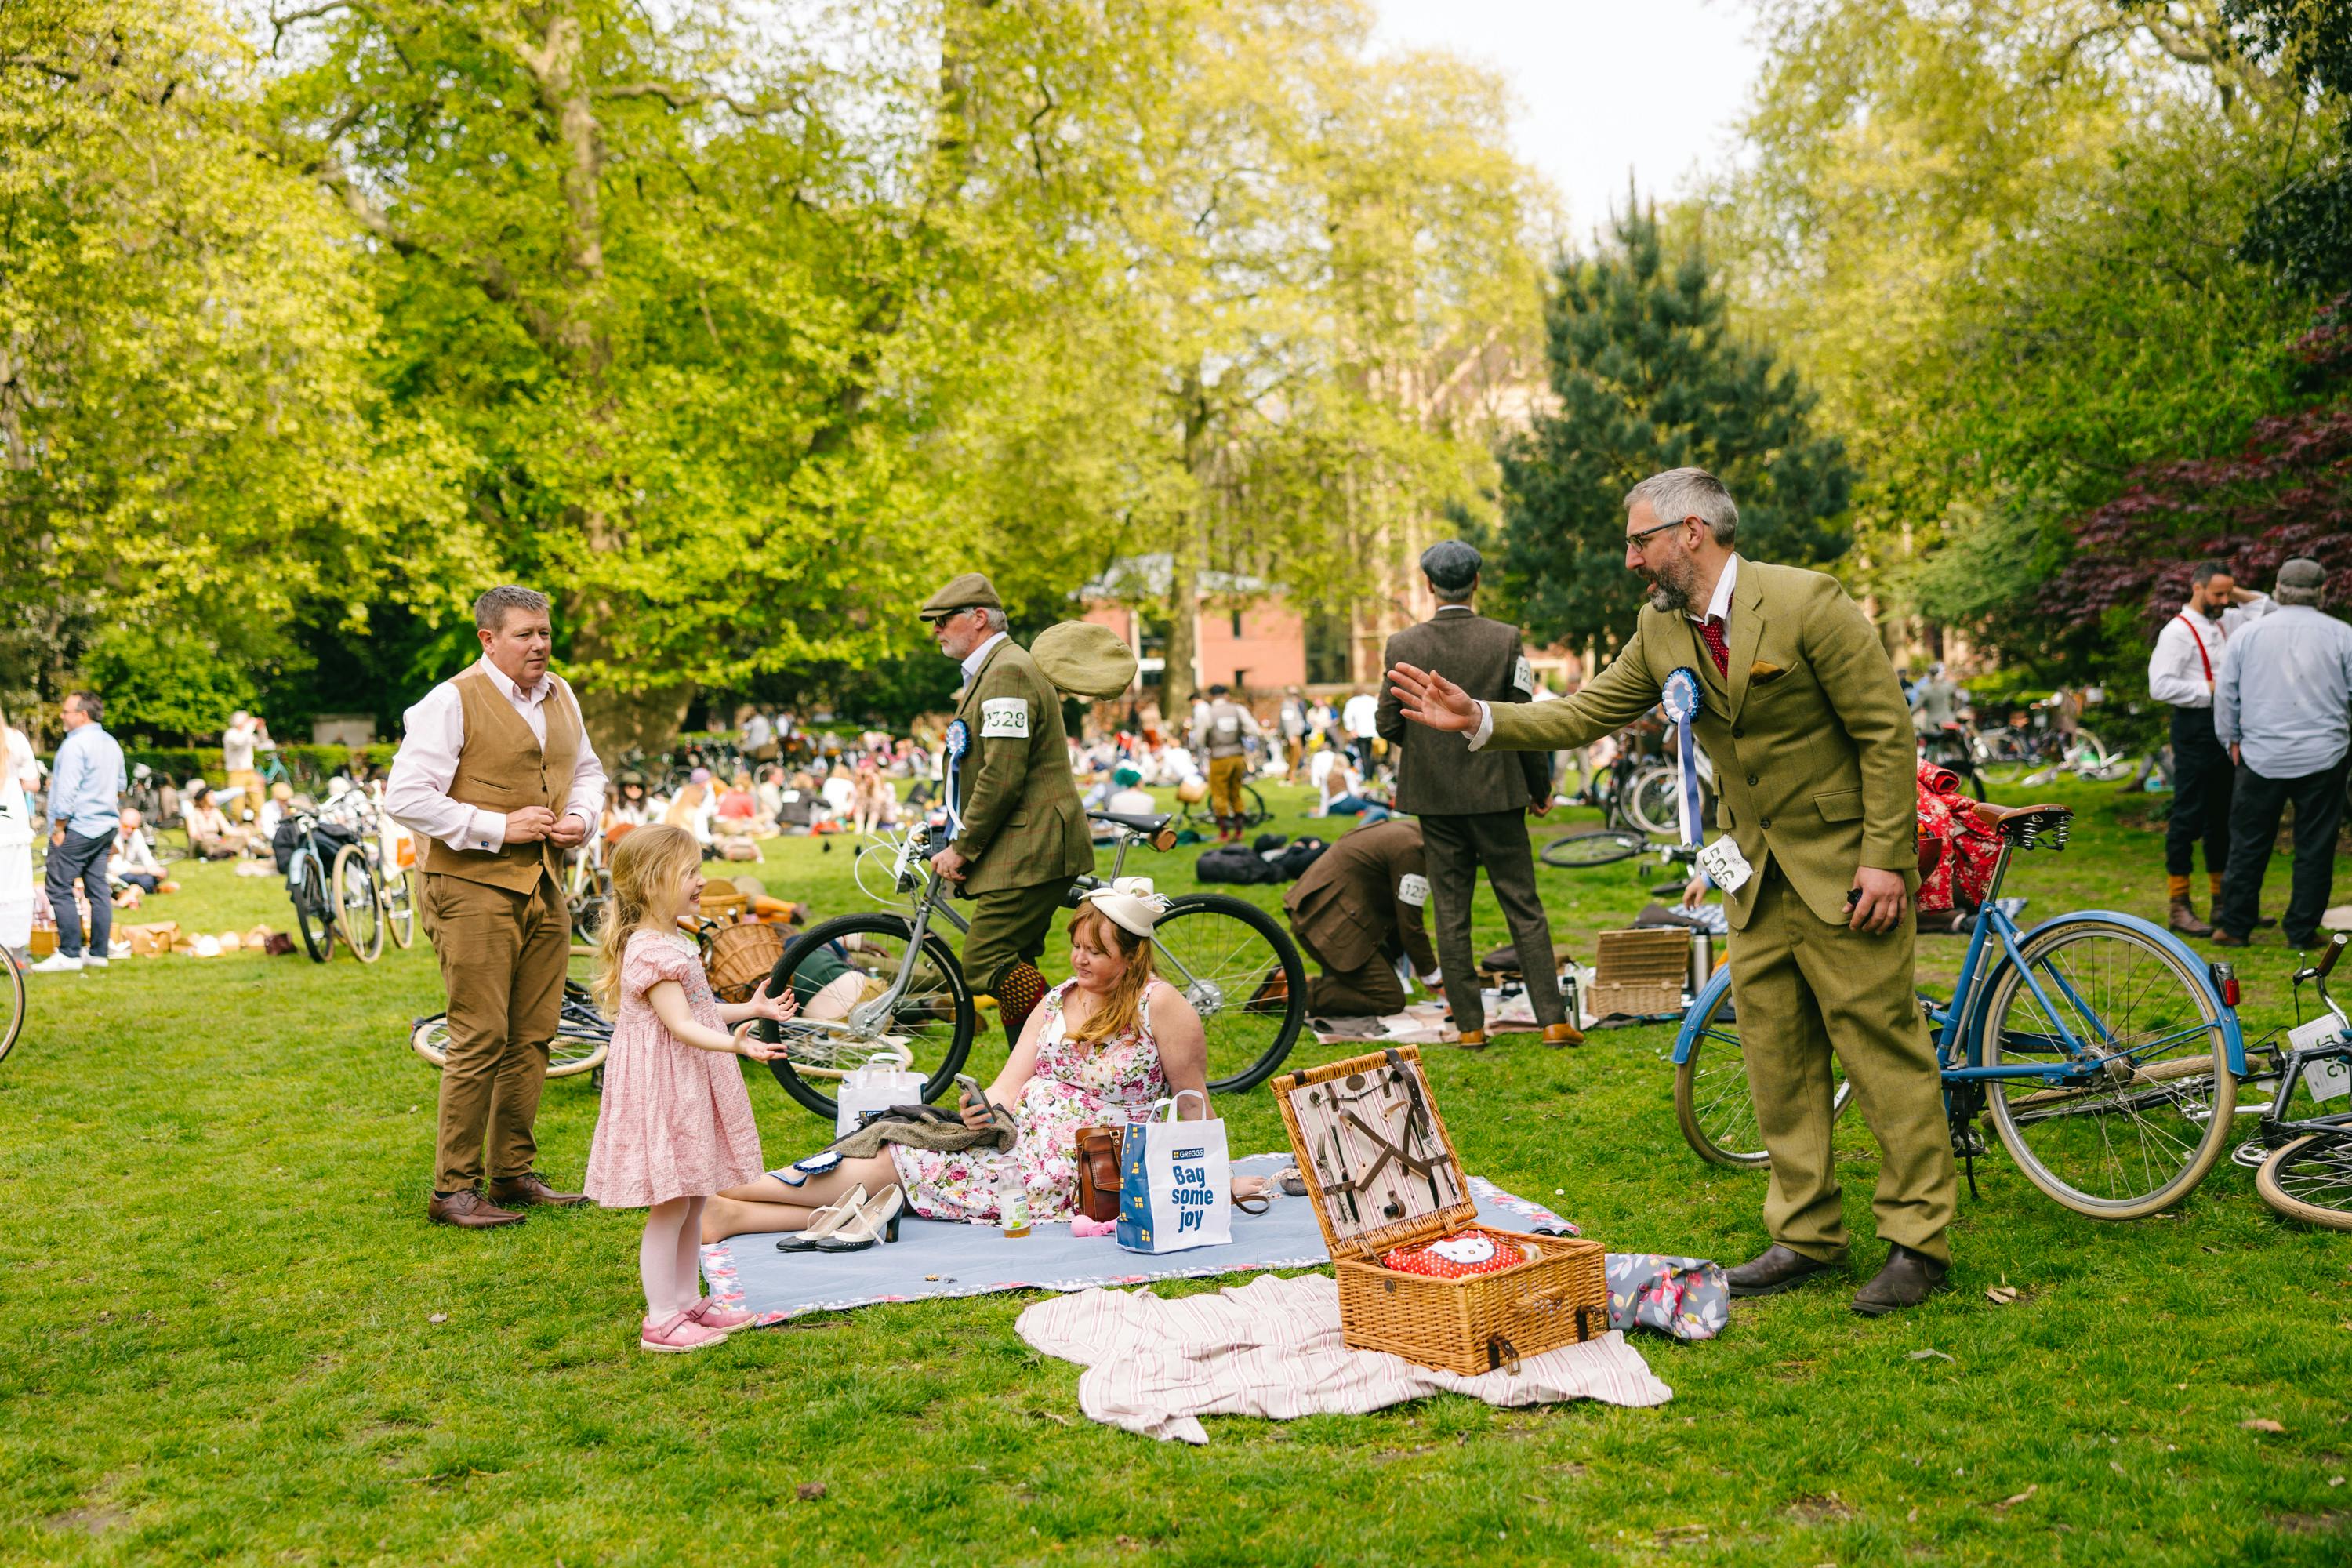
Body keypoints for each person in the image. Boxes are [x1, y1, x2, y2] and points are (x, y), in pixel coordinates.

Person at [1391, 466, 1956, 1316]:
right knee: (1776, 1056)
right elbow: (1586, 711)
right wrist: (1481, 718)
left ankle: (1917, 1241)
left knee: (1883, 1053)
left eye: (1639, 541)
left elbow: (1884, 732)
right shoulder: (1659, 628)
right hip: (1751, 877)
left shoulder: (1808, 601)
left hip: (1847, 873)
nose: (1630, 560)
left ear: (1692, 531)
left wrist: (1885, 858)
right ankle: (1806, 1233)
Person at [699, 884, 1210, 1241]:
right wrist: (982, 1111)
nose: (1079, 959)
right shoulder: (1059, 998)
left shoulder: (1160, 1005)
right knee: (905, 1146)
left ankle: (727, 1190)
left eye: (1095, 952)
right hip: (1020, 1138)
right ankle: (730, 1212)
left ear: (1131, 956)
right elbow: (1009, 1084)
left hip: (1093, 1164)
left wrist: (1212, 1180)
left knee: (909, 1165)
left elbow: (1193, 1102)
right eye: (1076, 946)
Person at [387, 585, 608, 1229]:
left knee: (534, 1034)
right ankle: (453, 1190)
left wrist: (581, 817)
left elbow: (588, 770)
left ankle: (512, 1172)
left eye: (545, 633)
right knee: (480, 1034)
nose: (539, 645)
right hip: (469, 887)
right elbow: (405, 796)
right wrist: (496, 827)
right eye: (524, 635)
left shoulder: (562, 693)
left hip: (544, 882)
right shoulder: (450, 700)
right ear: (488, 639)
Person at [580, 825, 797, 1351]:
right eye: (689, 873)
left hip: (687, 1079)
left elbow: (698, 1008)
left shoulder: (673, 941)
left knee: (696, 1196)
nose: (701, 881)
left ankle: (684, 1301)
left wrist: (751, 1009)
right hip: (666, 1086)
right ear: (652, 882)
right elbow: (680, 1025)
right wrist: (735, 1046)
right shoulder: (650, 952)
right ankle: (660, 1319)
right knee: (672, 1204)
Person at [1376, 539, 1574, 1050]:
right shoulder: (1505, 639)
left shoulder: (1401, 644)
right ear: (1476, 581)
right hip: (1498, 793)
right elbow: (1525, 721)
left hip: (1435, 799)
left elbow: (1387, 723)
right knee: (1523, 905)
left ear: (1429, 585)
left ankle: (1469, 1026)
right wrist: (1540, 787)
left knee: (1450, 911)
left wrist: (1429, 751)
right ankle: (1553, 1021)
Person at [918, 572, 1091, 1040]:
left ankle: (1076, 1038)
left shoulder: (1006, 671)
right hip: (1028, 840)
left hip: (1033, 843)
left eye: (943, 619)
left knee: (985, 961)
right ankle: (1035, 1067)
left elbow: (1002, 774)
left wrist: (962, 847)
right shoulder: (996, 669)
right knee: (1016, 961)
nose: (936, 629)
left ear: (979, 618)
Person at [2212, 557, 2352, 951]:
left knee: (2247, 843)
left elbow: (2226, 695)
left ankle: (2235, 926)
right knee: (2315, 847)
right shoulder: (2343, 635)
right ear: (2322, 591)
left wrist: (2231, 740)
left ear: (2278, 589)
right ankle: (2302, 930)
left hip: (2260, 754)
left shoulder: (2247, 635)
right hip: (2325, 755)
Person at [2148, 560, 2274, 936]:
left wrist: (2232, 591)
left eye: (2227, 594)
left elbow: (2266, 608)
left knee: (2223, 816)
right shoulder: (2177, 632)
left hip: (2226, 728)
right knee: (2188, 816)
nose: (2223, 600)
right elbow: (2160, 686)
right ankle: (2179, 905)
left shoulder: (2226, 620)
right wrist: (2211, 689)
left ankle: (2223, 903)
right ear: (2197, 588)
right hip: (2194, 729)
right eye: (2217, 593)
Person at [1280, 816, 1438, 1018]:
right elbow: (1410, 922)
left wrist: (1407, 960)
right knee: (1389, 999)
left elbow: (1396, 912)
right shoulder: (1412, 850)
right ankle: (1290, 991)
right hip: (1326, 923)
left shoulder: (1408, 831)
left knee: (1382, 982)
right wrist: (1432, 975)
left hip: (1325, 911)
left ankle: (1287, 981)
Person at [31, 691, 125, 974]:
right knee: (98, 889)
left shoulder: (74, 745)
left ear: (82, 715)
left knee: (58, 886)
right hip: (105, 825)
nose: (62, 716)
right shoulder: (111, 743)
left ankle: (69, 953)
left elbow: (66, 790)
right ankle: (98, 952)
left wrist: (59, 827)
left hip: (79, 826)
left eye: (66, 711)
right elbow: (121, 785)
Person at [1191, 683, 1261, 844]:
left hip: (1219, 757)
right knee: (1235, 793)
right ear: (1227, 695)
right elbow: (1252, 729)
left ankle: (1223, 833)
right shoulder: (1238, 710)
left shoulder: (1209, 713)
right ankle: (1239, 831)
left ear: (1211, 696)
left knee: (1219, 794)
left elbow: (1199, 738)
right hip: (1237, 756)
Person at [0, 696, 37, 964]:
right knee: (15, 882)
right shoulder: (15, 739)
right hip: (11, 814)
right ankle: (17, 955)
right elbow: (32, 782)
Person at [110, 809, 169, 897]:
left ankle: (141, 888)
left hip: (131, 872)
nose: (129, 830)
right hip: (115, 874)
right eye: (125, 826)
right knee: (139, 879)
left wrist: (156, 869)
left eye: (133, 828)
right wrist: (147, 870)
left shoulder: (136, 834)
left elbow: (146, 856)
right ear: (119, 822)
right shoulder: (112, 836)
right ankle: (149, 888)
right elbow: (116, 867)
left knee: (162, 871)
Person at [221, 710, 275, 806]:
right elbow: (239, 741)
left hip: (250, 771)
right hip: (236, 773)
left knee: (258, 801)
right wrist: (251, 725)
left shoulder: (247, 734)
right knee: (237, 804)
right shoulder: (230, 734)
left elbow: (262, 741)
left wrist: (261, 728)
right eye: (246, 720)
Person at [182, 782, 247, 859]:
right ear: (203, 799)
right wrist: (201, 837)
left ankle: (221, 853)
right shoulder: (193, 813)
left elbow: (228, 830)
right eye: (211, 797)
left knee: (239, 838)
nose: (214, 798)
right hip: (202, 843)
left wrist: (243, 832)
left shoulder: (216, 812)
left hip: (216, 842)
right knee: (206, 844)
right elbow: (193, 834)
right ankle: (222, 853)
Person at [1908, 663, 1965, 737]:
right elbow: (1958, 698)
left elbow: (1915, 707)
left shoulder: (1925, 690)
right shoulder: (1948, 686)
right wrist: (1954, 711)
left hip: (1933, 726)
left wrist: (1905, 716)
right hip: (1948, 722)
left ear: (1929, 675)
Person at [1341, 688, 1380, 779]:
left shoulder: (1353, 701)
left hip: (1361, 732)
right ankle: (1372, 774)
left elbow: (1347, 717)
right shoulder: (1372, 700)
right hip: (1374, 733)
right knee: (1372, 754)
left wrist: (1351, 729)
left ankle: (1368, 776)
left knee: (1364, 755)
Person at [1278, 687, 1309, 782]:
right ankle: (1290, 777)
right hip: (1293, 735)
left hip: (1296, 734)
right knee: (1294, 755)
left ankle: (1291, 776)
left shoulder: (1293, 705)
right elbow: (1287, 721)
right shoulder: (1287, 705)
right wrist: (1290, 735)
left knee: (1297, 754)